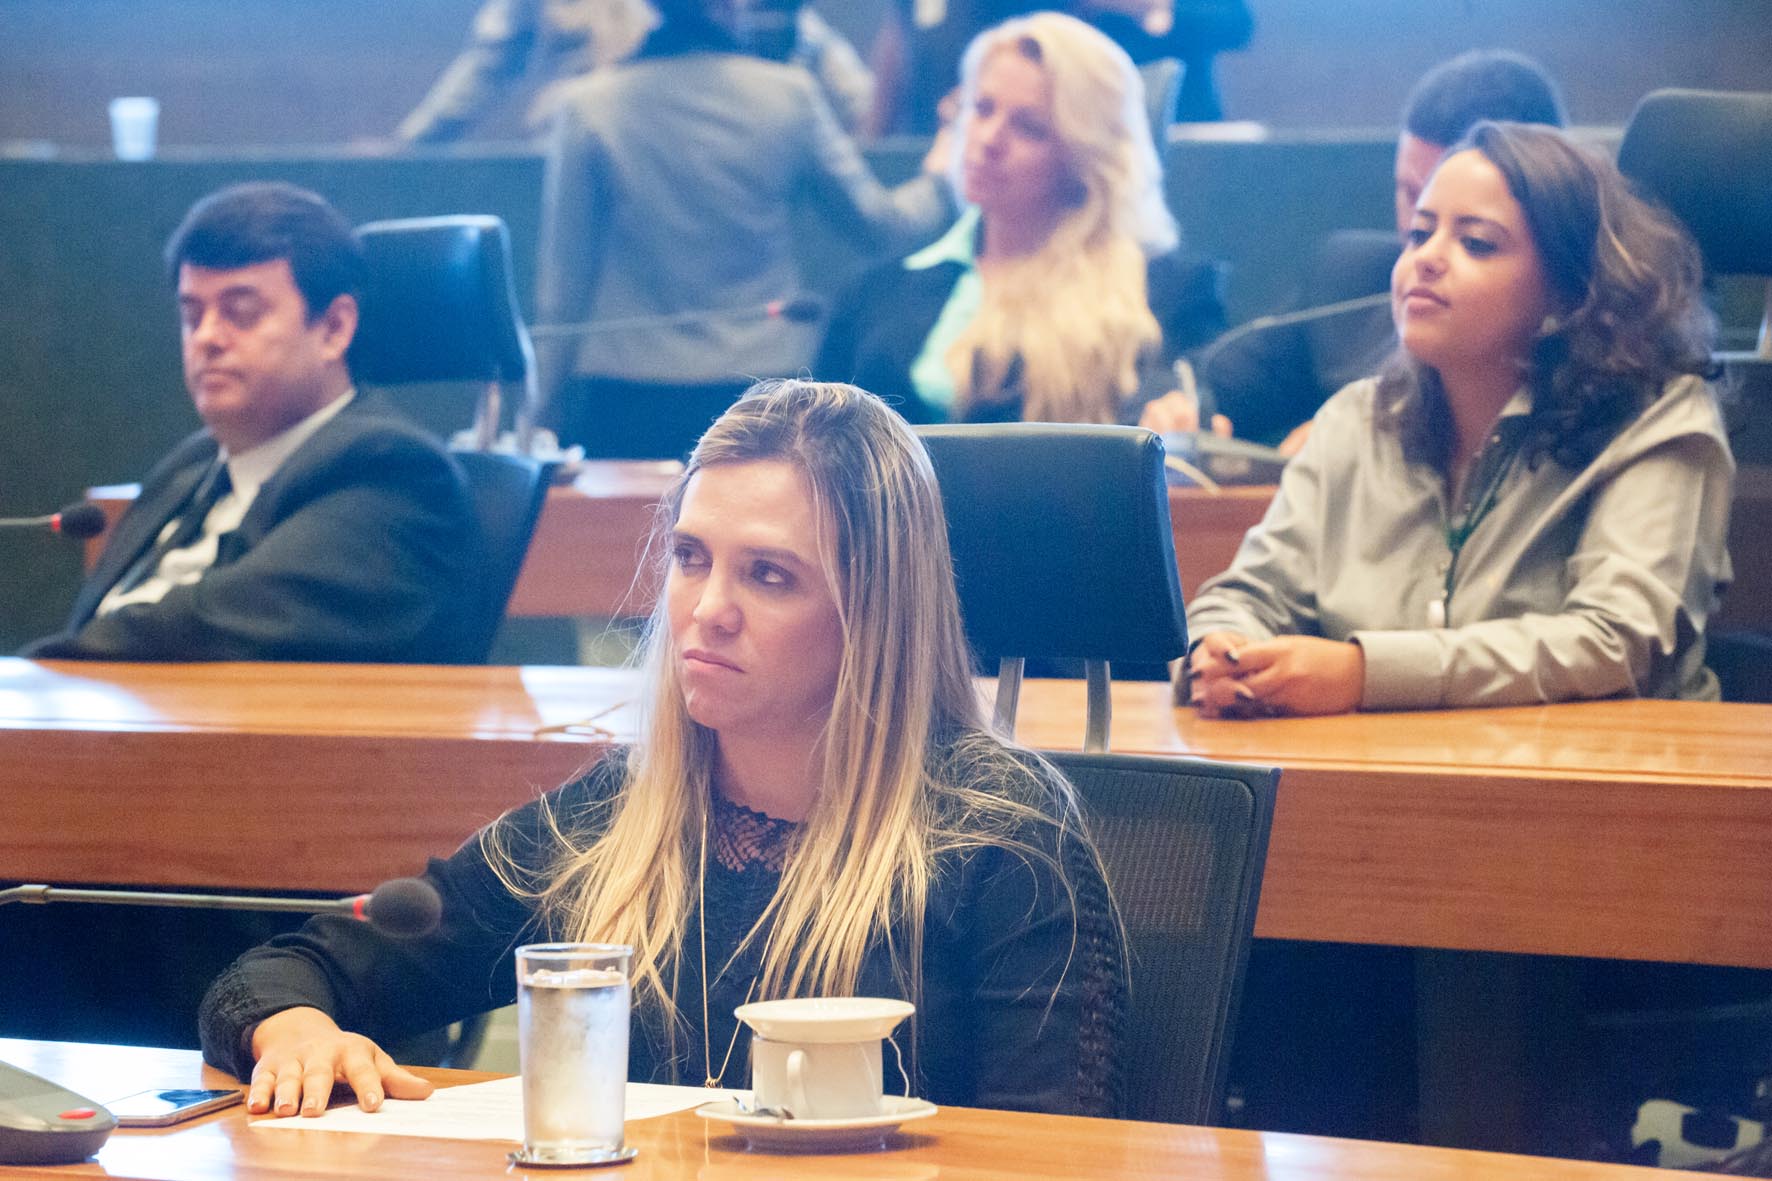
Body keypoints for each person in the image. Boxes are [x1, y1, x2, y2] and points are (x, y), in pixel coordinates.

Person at [199, 380, 1127, 1118]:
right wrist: (295, 1027)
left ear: (874, 613)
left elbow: (1058, 1153)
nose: (707, 609)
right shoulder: (617, 817)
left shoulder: (997, 833)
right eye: (690, 557)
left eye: (769, 574)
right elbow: (284, 972)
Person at [1184, 121, 1732, 716]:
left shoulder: (1657, 417)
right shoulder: (1356, 419)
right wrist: (1221, 647)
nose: (1426, 259)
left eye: (1476, 243)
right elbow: (1251, 594)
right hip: (1380, 764)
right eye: (1419, 234)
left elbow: (1616, 642)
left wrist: (1366, 674)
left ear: (1568, 292)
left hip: (1599, 768)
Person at [22, 182, 479, 664]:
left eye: (240, 313)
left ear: (334, 328)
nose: (207, 338)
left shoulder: (393, 472)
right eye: (192, 316)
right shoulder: (193, 464)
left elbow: (209, 624)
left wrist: (34, 673)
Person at [537, 0, 953, 459]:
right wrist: (941, 178)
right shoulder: (788, 95)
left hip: (625, 400)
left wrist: (538, 419)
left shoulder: (588, 107)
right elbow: (882, 228)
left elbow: (562, 291)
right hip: (766, 396)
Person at [1141, 49, 1567, 449]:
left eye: (1473, 238)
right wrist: (1181, 410)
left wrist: (1359, 444)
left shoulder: (1578, 360)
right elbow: (1196, 379)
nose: (1423, 243)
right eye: (1412, 198)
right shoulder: (1349, 276)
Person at [816, 11, 1224, 426]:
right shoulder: (872, 292)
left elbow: (1182, 428)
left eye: (1029, 128)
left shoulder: (1163, 297)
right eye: (982, 109)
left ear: (1084, 154)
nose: (988, 139)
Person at [397, 0, 876, 145]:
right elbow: (488, 63)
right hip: (570, 156)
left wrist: (871, 123)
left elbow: (809, 40)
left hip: (687, 154)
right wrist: (410, 146)